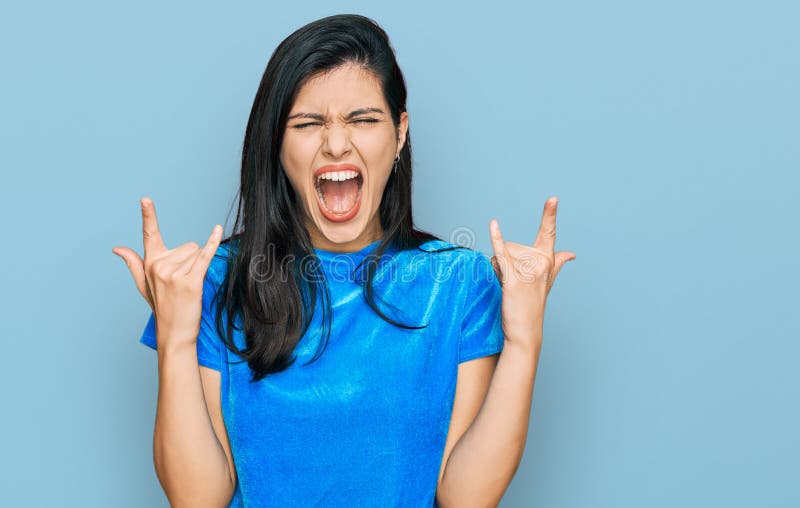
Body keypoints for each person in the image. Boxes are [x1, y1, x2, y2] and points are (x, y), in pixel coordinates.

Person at [112, 13, 576, 507]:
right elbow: (196, 498)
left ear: (399, 134)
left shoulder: (458, 283)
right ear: (276, 144)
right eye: (308, 124)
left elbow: (465, 498)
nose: (336, 143)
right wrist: (176, 338)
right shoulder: (217, 281)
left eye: (363, 120)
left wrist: (524, 341)